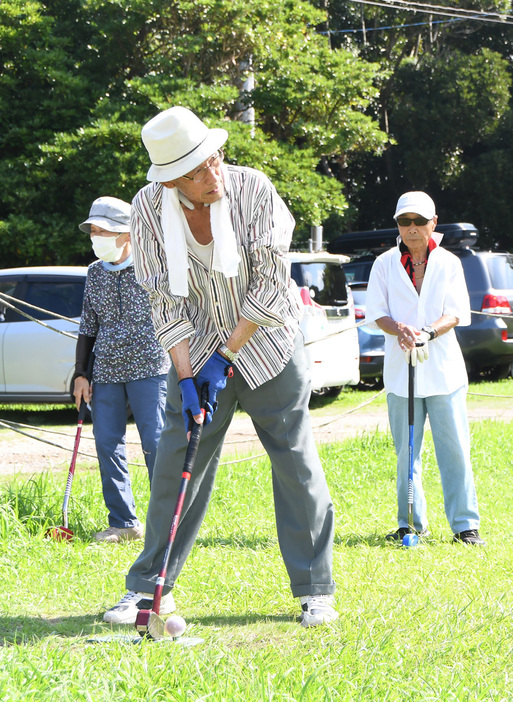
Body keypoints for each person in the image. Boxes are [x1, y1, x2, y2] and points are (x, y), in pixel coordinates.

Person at [103, 106, 337, 627]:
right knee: (174, 465)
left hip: (268, 344)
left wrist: (225, 358)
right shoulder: (147, 208)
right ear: (170, 180)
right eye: (197, 171)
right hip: (197, 350)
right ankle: (149, 591)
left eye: (216, 161)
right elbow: (163, 301)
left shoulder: (253, 190)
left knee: (295, 462)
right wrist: (187, 376)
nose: (214, 176)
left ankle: (315, 588)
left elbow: (273, 285)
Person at [365, 191, 484, 545]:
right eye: (405, 222)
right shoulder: (384, 263)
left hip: (444, 371)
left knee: (456, 450)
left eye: (419, 221)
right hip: (402, 374)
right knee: (406, 452)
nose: (412, 228)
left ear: (434, 223)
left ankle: (465, 526)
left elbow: (457, 312)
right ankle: (410, 524)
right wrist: (399, 329)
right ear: (398, 225)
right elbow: (376, 313)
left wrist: (428, 331)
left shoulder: (449, 262)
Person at [73, 196, 170, 543]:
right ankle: (124, 523)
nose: (96, 237)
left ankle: (168, 523)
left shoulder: (152, 267)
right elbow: (88, 325)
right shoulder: (95, 272)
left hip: (150, 367)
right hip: (107, 371)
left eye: (104, 232)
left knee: (156, 443)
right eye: (93, 232)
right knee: (106, 443)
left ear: (127, 234)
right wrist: (80, 373)